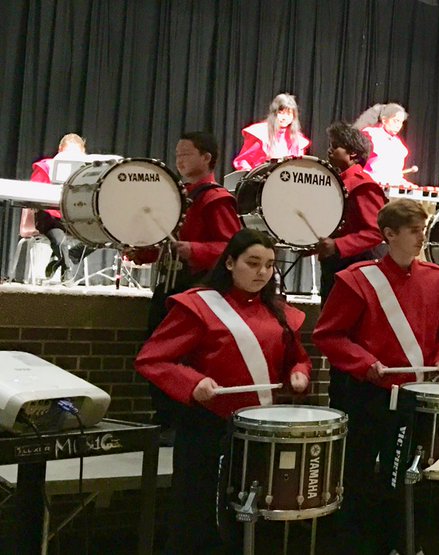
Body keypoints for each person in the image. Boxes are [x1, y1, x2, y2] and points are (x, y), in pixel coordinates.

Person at [135, 229, 311, 555]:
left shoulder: (278, 312)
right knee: (198, 516)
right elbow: (153, 359)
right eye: (253, 263)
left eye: (270, 265)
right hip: (207, 429)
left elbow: (297, 359)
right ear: (230, 262)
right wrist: (193, 383)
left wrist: (299, 374)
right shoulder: (199, 305)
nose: (262, 272)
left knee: (251, 515)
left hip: (260, 432)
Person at [312, 198, 439, 554]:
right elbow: (328, 336)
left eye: (422, 230)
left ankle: (399, 545)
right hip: (367, 394)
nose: (420, 238)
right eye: (413, 231)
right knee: (359, 477)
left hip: (413, 396)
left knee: (405, 478)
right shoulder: (356, 281)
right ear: (389, 235)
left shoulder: (438, 282)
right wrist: (365, 362)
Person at [140, 132, 242, 436]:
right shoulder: (179, 197)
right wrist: (143, 251)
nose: (179, 160)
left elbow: (231, 248)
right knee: (157, 351)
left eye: (186, 154)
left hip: (196, 288)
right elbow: (165, 241)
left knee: (175, 356)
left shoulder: (217, 199)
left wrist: (195, 250)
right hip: (172, 285)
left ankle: (175, 421)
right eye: (177, 154)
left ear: (206, 158)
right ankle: (165, 418)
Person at [316, 122, 387, 300]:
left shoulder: (362, 184)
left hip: (355, 267)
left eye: (335, 146)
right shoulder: (339, 182)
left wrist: (337, 245)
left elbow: (376, 232)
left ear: (352, 153)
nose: (329, 151)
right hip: (338, 264)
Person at [28, 133, 87, 278]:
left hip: (74, 218)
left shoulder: (87, 171)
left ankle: (67, 258)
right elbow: (33, 194)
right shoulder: (45, 167)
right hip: (50, 217)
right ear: (60, 150)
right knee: (60, 241)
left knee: (101, 236)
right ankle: (67, 273)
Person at [232, 93, 310, 171]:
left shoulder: (298, 140)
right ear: (274, 113)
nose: (284, 118)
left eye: (289, 114)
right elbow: (244, 161)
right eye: (281, 113)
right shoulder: (260, 133)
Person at [355, 103, 413, 186]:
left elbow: (396, 175)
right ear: (384, 120)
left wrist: (404, 183)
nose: (398, 126)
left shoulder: (399, 145)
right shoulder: (370, 134)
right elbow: (355, 164)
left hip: (389, 188)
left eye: (401, 122)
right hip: (368, 185)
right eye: (396, 121)